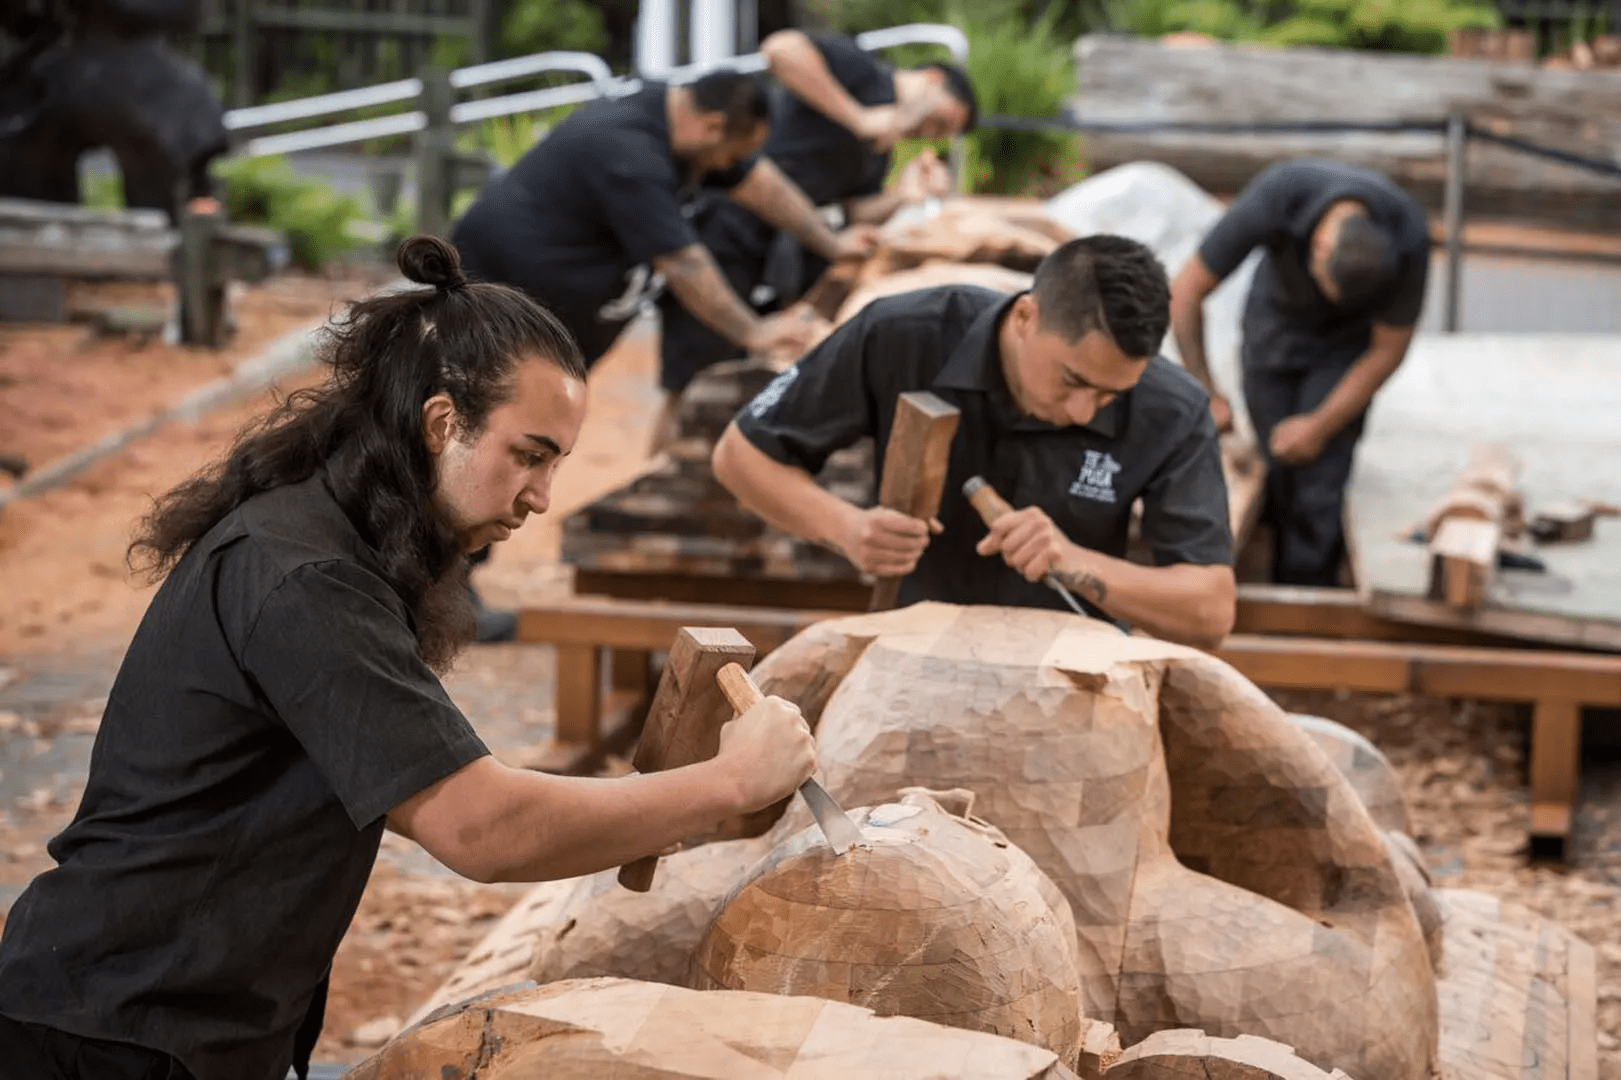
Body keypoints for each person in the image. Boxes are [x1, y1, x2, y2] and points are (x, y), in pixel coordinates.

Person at [0, 237, 817, 1080]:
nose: (542, 496)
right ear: (441, 423)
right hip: (110, 1035)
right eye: (529, 455)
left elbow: (421, 785)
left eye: (554, 464)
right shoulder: (307, 578)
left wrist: (650, 810)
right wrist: (727, 783)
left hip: (170, 1019)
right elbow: (482, 829)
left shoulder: (333, 539)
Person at [712, 235, 1236, 649]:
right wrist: (846, 528)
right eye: (1072, 381)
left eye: (1110, 396)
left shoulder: (1172, 408)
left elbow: (1211, 611)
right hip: (910, 656)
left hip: (1071, 677)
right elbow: (740, 455)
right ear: (1026, 317)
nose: (1082, 412)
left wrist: (1075, 561)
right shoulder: (906, 334)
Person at [453, 68, 870, 373]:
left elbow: (761, 184)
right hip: (499, 294)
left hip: (555, 307)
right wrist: (754, 332)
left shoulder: (672, 113)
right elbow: (683, 262)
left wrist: (833, 244)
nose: (731, 167)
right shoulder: (631, 155)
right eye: (733, 155)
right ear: (713, 126)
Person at [658, 29, 977, 398]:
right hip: (725, 224)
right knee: (692, 378)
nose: (930, 133)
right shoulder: (862, 70)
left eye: (941, 133)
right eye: (941, 121)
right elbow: (780, 49)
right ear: (932, 79)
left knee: (743, 373)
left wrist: (904, 196)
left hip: (775, 252)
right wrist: (859, 118)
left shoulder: (882, 147)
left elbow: (856, 212)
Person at [1169, 159, 1430, 586]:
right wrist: (1206, 393)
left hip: (1346, 349)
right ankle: (1266, 567)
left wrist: (1320, 426)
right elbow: (1185, 293)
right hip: (1274, 328)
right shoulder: (1279, 193)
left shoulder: (1408, 232)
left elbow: (1388, 350)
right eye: (1329, 290)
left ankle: (1308, 585)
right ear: (1321, 247)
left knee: (1319, 482)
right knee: (1274, 465)